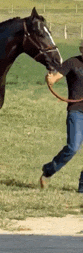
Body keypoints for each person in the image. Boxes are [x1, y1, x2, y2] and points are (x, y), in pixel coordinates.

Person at [40, 41, 83, 192]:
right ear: (81, 49)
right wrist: (50, 80)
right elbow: (55, 78)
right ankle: (48, 170)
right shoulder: (72, 62)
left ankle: (82, 188)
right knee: (72, 148)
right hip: (76, 112)